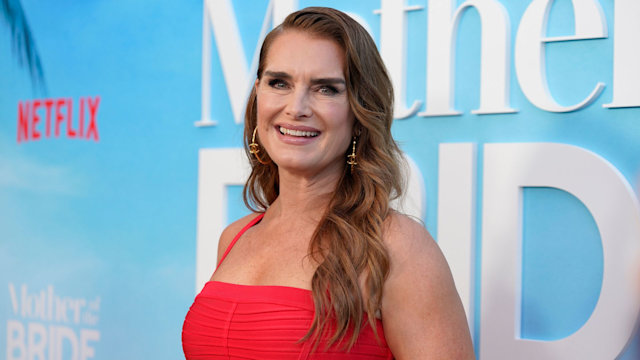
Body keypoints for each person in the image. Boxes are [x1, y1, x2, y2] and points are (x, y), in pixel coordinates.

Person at [182, 6, 474, 359]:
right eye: (279, 83)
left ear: (360, 112)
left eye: (326, 89)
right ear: (258, 94)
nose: (297, 107)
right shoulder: (235, 237)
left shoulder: (397, 247)